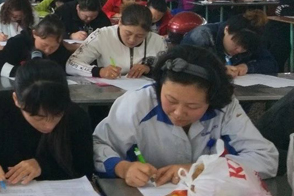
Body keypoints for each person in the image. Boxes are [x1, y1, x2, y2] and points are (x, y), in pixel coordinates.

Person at [93, 45, 278, 187]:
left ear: (212, 99)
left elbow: (265, 159)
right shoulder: (137, 103)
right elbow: (99, 145)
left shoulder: (225, 106)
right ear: (159, 87)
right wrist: (123, 168)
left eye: (193, 106)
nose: (179, 113)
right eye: (171, 100)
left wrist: (200, 169)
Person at [0, 60, 93, 191]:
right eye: (39, 117)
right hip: (9, 191)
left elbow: (86, 171)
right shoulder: (0, 105)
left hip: (60, 195)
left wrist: (42, 166)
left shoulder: (76, 115)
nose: (49, 126)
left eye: (57, 115)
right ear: (16, 100)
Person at [66, 4, 168, 79]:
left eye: (140, 36)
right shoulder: (102, 35)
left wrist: (149, 68)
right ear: (119, 22)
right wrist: (99, 71)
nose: (132, 40)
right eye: (128, 33)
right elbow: (71, 64)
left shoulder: (158, 41)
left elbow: (168, 69)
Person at [182, 11, 278, 77]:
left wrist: (247, 67)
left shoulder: (252, 40)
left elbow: (271, 64)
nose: (239, 50)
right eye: (236, 44)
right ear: (226, 30)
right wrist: (218, 70)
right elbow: (183, 66)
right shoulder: (201, 37)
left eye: (245, 48)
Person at [0, 16, 71, 77]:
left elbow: (65, 71)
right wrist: (27, 73)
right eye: (44, 45)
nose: (47, 51)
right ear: (34, 34)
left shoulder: (61, 49)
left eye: (53, 47)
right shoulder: (17, 43)